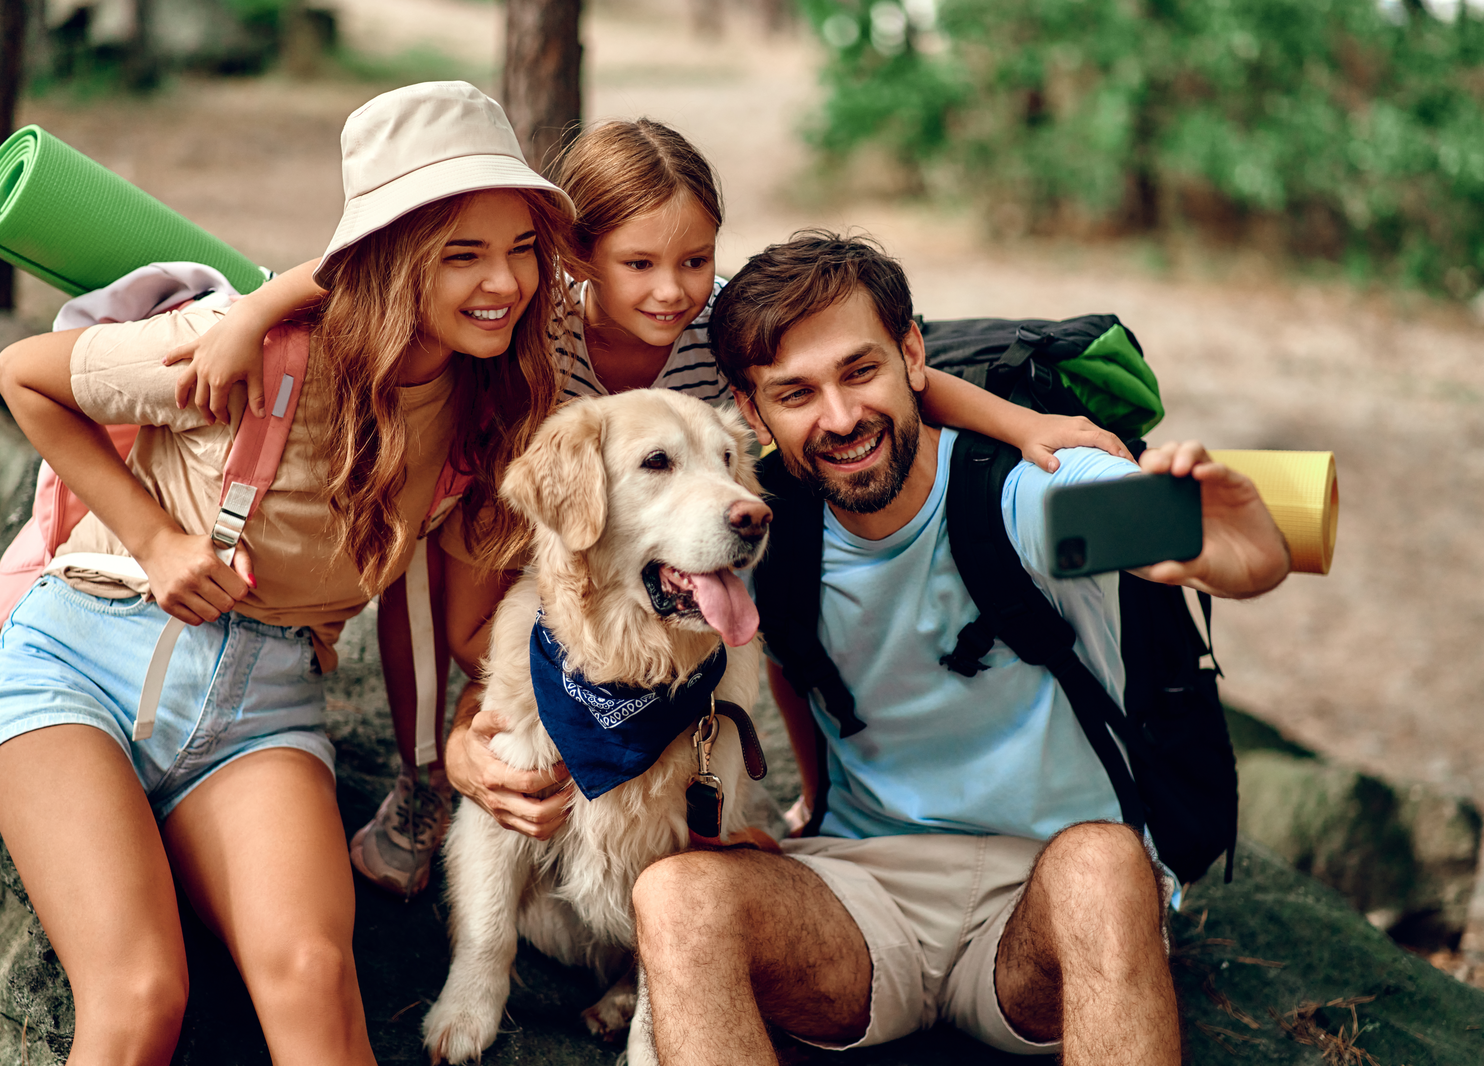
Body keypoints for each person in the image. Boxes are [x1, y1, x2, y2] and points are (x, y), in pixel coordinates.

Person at [169, 120, 1133, 888]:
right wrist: (253, 311)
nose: (672, 291)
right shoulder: (532, 313)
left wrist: (1017, 425)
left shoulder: (716, 331)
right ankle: (437, 773)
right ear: (579, 255)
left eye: (695, 260)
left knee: (771, 550)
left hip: (672, 519)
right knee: (437, 571)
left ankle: (800, 783)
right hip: (522, 498)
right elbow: (374, 265)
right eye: (640, 265)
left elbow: (898, 374)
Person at [0, 81, 574, 1064]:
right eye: (462, 253)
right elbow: (22, 372)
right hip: (82, 660)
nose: (504, 281)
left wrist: (481, 740)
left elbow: (656, 297)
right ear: (389, 256)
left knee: (310, 981)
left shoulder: (488, 401)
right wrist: (156, 538)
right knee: (139, 996)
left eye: (520, 248)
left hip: (264, 707)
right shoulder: (248, 352)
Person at [620, 231, 1294, 1065]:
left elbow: (1210, 551)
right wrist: (473, 742)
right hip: (860, 892)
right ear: (751, 413)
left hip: (1045, 894)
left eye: (859, 371)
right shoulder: (764, 537)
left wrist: (1243, 547)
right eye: (795, 394)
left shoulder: (1024, 497)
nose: (838, 418)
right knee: (676, 897)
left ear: (912, 356)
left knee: (1104, 863)